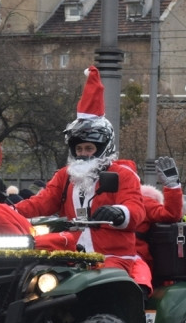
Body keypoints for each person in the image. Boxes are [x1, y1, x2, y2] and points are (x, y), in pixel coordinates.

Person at [14, 66, 148, 288]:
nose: (83, 154)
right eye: (79, 149)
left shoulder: (123, 175)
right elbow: (43, 202)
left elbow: (136, 210)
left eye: (89, 148)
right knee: (23, 255)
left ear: (103, 147)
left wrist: (118, 212)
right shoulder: (66, 176)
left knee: (105, 286)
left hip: (110, 254)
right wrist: (10, 211)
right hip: (72, 247)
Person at [134, 157, 184, 269]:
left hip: (134, 258)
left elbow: (171, 214)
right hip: (98, 254)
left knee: (140, 277)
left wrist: (173, 187)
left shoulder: (142, 201)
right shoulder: (95, 200)